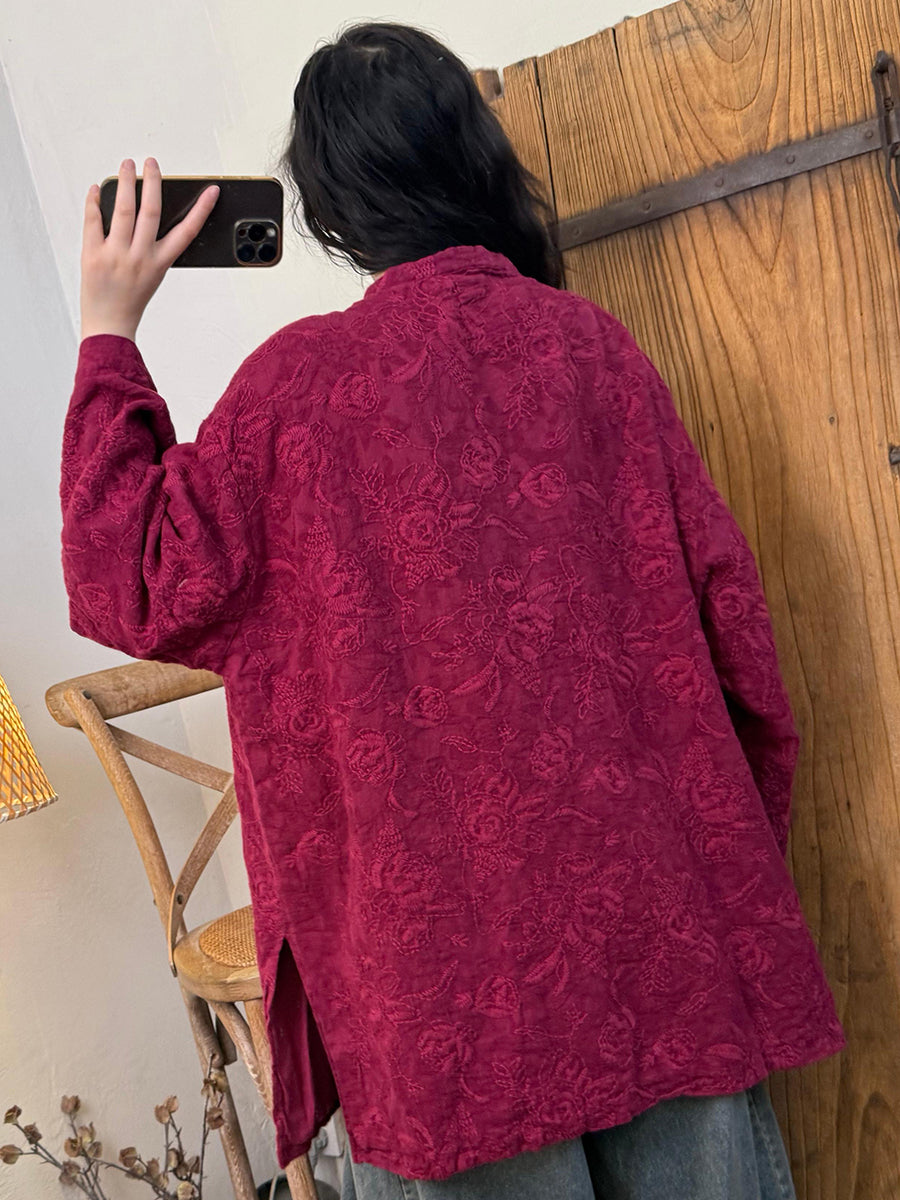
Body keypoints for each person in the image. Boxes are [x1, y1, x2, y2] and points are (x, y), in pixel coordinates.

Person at [64, 19, 846, 1200]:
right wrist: (729, 874)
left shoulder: (290, 400)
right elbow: (738, 636)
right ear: (476, 158)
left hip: (439, 996)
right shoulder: (592, 351)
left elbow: (121, 577)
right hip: (657, 935)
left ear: (330, 208)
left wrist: (108, 329)